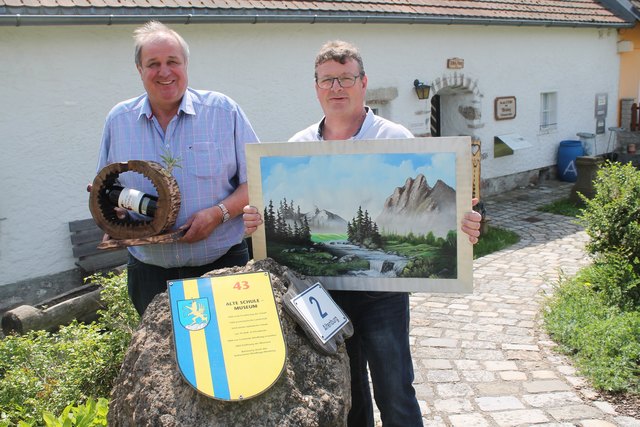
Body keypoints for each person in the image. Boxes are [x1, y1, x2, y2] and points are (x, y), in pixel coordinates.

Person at [243, 40, 481, 427]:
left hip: (381, 296)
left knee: (395, 390)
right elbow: (271, 213)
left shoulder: (394, 136)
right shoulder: (297, 145)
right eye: (327, 80)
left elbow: (452, 211)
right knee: (347, 393)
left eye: (346, 78)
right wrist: (256, 223)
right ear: (316, 87)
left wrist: (468, 223)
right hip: (320, 294)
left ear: (363, 82)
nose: (336, 88)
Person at [95, 21, 259, 316]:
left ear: (186, 64)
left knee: (227, 359)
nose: (165, 72)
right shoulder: (118, 120)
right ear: (139, 70)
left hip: (222, 268)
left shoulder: (224, 112)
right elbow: (108, 189)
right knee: (163, 362)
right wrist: (113, 214)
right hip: (150, 275)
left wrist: (218, 214)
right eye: (153, 64)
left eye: (173, 61)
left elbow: (256, 182)